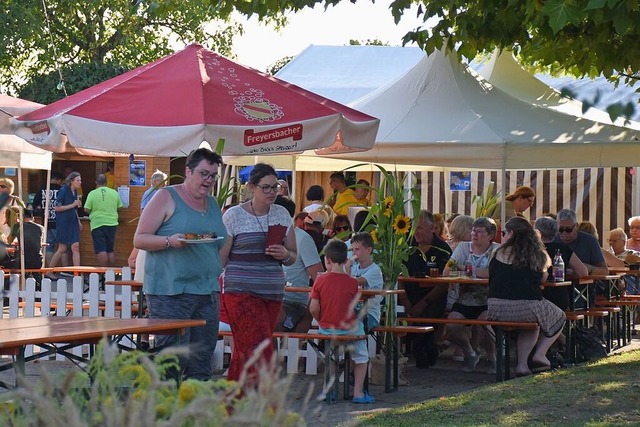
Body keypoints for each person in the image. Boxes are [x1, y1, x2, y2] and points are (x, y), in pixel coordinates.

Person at [133, 148, 227, 381]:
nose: (209, 180)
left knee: (202, 357)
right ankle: (166, 400)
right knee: (173, 358)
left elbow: (218, 242)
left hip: (207, 290)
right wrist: (169, 241)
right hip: (171, 291)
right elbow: (140, 239)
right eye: (204, 174)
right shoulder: (166, 196)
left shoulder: (212, 203)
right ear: (188, 171)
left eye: (213, 176)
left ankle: (197, 400)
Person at [220, 163, 297, 388]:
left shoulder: (282, 214)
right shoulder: (233, 215)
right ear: (252, 187)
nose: (272, 192)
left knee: (247, 348)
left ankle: (236, 399)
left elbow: (293, 256)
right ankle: (264, 397)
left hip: (272, 293)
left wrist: (285, 254)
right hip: (240, 291)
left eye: (275, 187)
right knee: (259, 346)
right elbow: (221, 259)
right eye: (266, 187)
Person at [488, 217, 566, 377]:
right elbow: (542, 279)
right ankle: (540, 354)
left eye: (504, 233)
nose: (503, 236)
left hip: (496, 308)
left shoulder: (498, 252)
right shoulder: (537, 254)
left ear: (511, 233)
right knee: (560, 316)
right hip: (526, 306)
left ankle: (523, 366)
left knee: (533, 325)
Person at [309, 238, 374, 404]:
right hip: (350, 329)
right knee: (361, 356)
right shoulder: (352, 282)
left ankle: (328, 389)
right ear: (346, 260)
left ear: (327, 260)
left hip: (327, 328)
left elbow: (313, 308)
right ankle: (358, 392)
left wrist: (321, 320)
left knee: (330, 356)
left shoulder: (320, 280)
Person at [443, 217, 500, 374]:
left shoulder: (497, 250)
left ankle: (492, 359)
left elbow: (493, 273)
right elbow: (447, 270)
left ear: (490, 235)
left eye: (480, 232)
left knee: (486, 324)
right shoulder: (463, 247)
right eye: (473, 230)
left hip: (488, 299)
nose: (474, 234)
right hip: (465, 298)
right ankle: (470, 353)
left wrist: (466, 269)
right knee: (451, 326)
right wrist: (475, 272)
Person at [398, 210, 452, 368]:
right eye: (414, 227)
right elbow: (397, 275)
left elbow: (444, 284)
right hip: (408, 296)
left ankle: (427, 352)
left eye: (420, 228)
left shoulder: (443, 249)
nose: (416, 232)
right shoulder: (406, 246)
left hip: (432, 298)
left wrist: (422, 304)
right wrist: (406, 301)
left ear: (433, 228)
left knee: (425, 323)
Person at [274, 197, 323, 333]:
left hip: (293, 304)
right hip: (268, 299)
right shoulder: (263, 236)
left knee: (270, 317)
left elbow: (320, 280)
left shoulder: (303, 239)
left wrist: (307, 317)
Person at [534, 216, 588, 310]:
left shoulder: (531, 249)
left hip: (536, 298)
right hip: (559, 298)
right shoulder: (562, 249)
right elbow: (583, 272)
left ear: (538, 232)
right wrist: (567, 271)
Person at [46, 172, 83, 277]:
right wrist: (72, 205)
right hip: (63, 222)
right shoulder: (63, 190)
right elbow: (57, 208)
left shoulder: (75, 191)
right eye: (78, 180)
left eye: (80, 180)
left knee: (75, 247)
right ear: (71, 181)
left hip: (73, 221)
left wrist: (79, 221)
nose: (80, 182)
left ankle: (77, 273)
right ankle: (49, 271)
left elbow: (74, 209)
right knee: (62, 248)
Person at [346, 231, 383, 331]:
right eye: (352, 249)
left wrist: (347, 269)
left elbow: (355, 282)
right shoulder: (354, 268)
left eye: (357, 249)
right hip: (353, 313)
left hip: (369, 314)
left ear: (368, 250)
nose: (354, 253)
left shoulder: (375, 270)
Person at [84, 174, 123, 267]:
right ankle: (111, 272)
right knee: (110, 249)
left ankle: (103, 271)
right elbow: (120, 207)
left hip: (97, 223)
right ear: (106, 182)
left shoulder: (92, 193)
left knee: (101, 249)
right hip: (112, 223)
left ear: (96, 182)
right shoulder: (114, 193)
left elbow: (86, 209)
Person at [555, 209, 608, 276]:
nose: (564, 233)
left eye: (568, 229)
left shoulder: (589, 241)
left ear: (576, 226)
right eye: (560, 229)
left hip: (584, 282)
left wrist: (588, 268)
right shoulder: (552, 239)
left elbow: (604, 271)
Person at [32, 171, 64, 267]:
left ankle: (50, 269)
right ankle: (64, 269)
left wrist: (41, 211)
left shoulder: (42, 189)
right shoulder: (62, 189)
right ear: (59, 180)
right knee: (63, 247)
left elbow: (35, 205)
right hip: (59, 222)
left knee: (49, 247)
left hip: (46, 222)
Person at [604, 228, 640, 294]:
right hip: (608, 280)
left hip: (626, 282)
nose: (611, 243)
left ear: (623, 242)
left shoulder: (633, 254)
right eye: (610, 240)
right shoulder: (606, 254)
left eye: (614, 241)